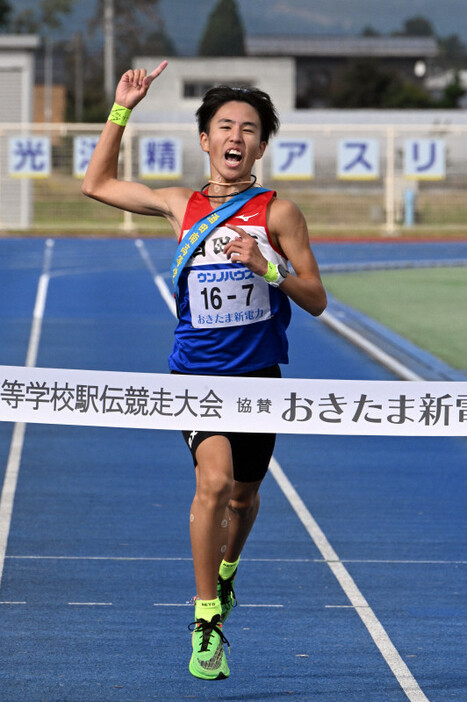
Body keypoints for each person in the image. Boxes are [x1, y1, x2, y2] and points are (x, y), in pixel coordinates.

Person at [82, 61, 327, 681]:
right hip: (195, 376)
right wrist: (122, 109)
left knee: (243, 496)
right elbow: (97, 183)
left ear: (262, 146)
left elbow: (317, 297)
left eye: (249, 128)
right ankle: (206, 618)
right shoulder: (179, 206)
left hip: (260, 378)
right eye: (224, 126)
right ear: (205, 140)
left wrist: (267, 267)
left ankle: (227, 570)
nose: (236, 137)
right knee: (211, 486)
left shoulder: (279, 213)